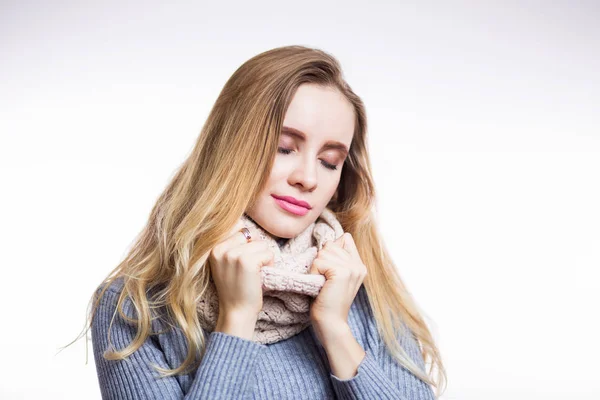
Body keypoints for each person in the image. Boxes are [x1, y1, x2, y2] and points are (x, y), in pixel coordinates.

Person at [82, 45, 447, 399]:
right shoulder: (133, 307)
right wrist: (238, 318)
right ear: (231, 147)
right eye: (284, 148)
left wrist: (336, 328)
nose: (308, 177)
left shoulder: (358, 285)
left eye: (330, 161)